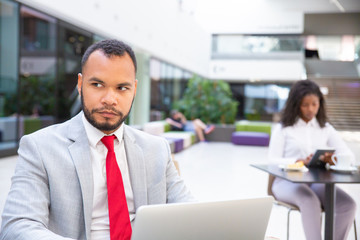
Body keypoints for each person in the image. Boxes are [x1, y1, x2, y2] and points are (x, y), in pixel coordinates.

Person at [0, 39, 194, 240]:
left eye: (122, 88)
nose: (110, 99)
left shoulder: (157, 149)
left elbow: (191, 214)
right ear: (80, 84)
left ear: (134, 89)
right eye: (98, 84)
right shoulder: (40, 148)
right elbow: (17, 226)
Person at [268, 79, 356, 240]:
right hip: (285, 183)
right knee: (309, 200)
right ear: (296, 105)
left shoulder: (325, 128)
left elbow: (349, 156)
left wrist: (333, 159)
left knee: (347, 204)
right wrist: (299, 161)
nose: (310, 109)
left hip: (317, 183)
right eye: (305, 105)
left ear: (320, 104)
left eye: (314, 104)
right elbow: (272, 160)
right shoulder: (284, 128)